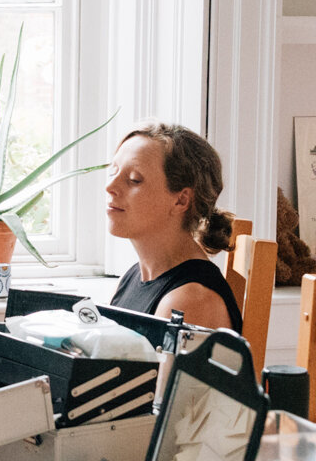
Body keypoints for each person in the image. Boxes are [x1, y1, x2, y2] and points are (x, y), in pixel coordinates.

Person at [103, 122, 242, 331]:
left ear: (181, 200)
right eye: (113, 172)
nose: (110, 187)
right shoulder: (132, 277)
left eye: (134, 180)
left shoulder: (190, 301)